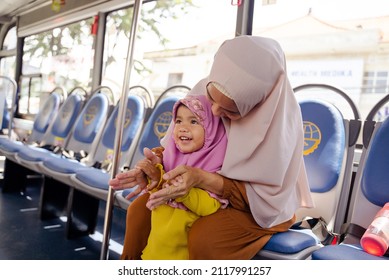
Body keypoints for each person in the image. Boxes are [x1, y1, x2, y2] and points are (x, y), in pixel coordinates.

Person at [109, 35, 314, 260]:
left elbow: (264, 197)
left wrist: (201, 178)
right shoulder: (207, 88)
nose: (215, 112)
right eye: (211, 99)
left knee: (206, 236)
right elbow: (176, 145)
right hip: (206, 188)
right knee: (140, 210)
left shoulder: (280, 124)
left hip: (259, 206)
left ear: (257, 103)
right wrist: (154, 165)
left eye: (231, 111)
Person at [140, 95, 228, 259]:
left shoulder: (213, 167)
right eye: (178, 121)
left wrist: (185, 193)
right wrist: (155, 174)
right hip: (153, 254)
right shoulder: (170, 158)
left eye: (193, 121)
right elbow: (159, 193)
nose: (182, 127)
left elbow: (211, 206)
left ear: (212, 129)